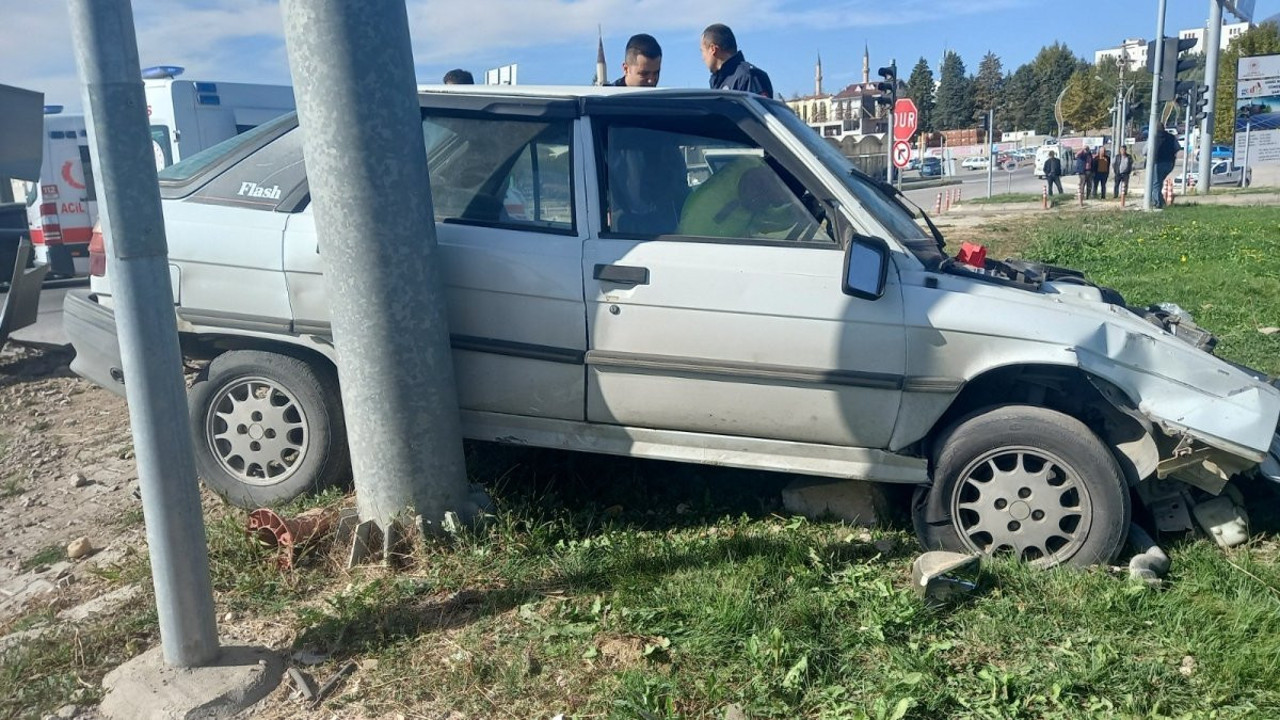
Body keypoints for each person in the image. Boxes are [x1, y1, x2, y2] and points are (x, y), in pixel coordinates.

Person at [701, 24, 773, 98]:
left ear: (713, 49)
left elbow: (757, 108)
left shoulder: (749, 76)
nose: (702, 58)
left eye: (702, 51)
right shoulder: (719, 81)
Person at [1153, 128, 1179, 208]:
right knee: (1159, 182)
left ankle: (1157, 203)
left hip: (1158, 162)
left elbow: (1145, 151)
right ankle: (1161, 200)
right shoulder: (1171, 137)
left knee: (1155, 183)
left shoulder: (1153, 137)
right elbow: (1177, 147)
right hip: (1169, 163)